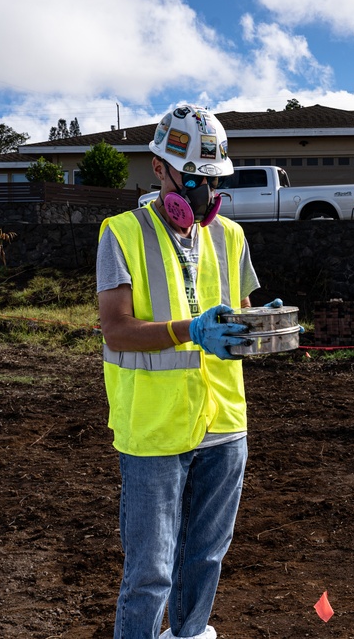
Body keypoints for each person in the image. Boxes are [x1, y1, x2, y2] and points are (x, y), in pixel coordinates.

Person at [96, 104, 259, 639]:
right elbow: (116, 329)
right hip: (155, 430)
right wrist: (190, 330)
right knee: (150, 572)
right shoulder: (121, 233)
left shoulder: (230, 237)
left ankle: (187, 635)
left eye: (213, 182)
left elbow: (238, 314)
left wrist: (263, 325)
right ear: (159, 168)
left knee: (206, 557)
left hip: (223, 420)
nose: (204, 196)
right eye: (193, 180)